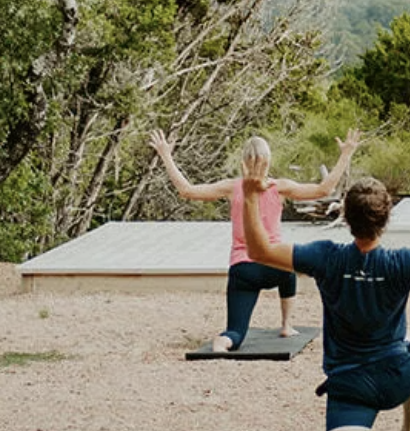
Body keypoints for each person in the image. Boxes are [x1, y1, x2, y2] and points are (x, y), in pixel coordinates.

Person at [242, 162, 410, 431]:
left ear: (345, 216)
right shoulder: (401, 263)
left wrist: (249, 196)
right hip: (397, 377)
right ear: (387, 218)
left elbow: (258, 251)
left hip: (349, 387)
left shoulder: (325, 257)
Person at [149, 127, 360, 351]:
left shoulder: (232, 187)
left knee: (236, 332)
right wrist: (346, 154)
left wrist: (165, 155)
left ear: (244, 161)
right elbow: (324, 189)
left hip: (242, 269)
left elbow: (187, 190)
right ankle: (287, 325)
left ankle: (223, 342)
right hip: (274, 266)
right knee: (289, 271)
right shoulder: (279, 187)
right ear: (267, 161)